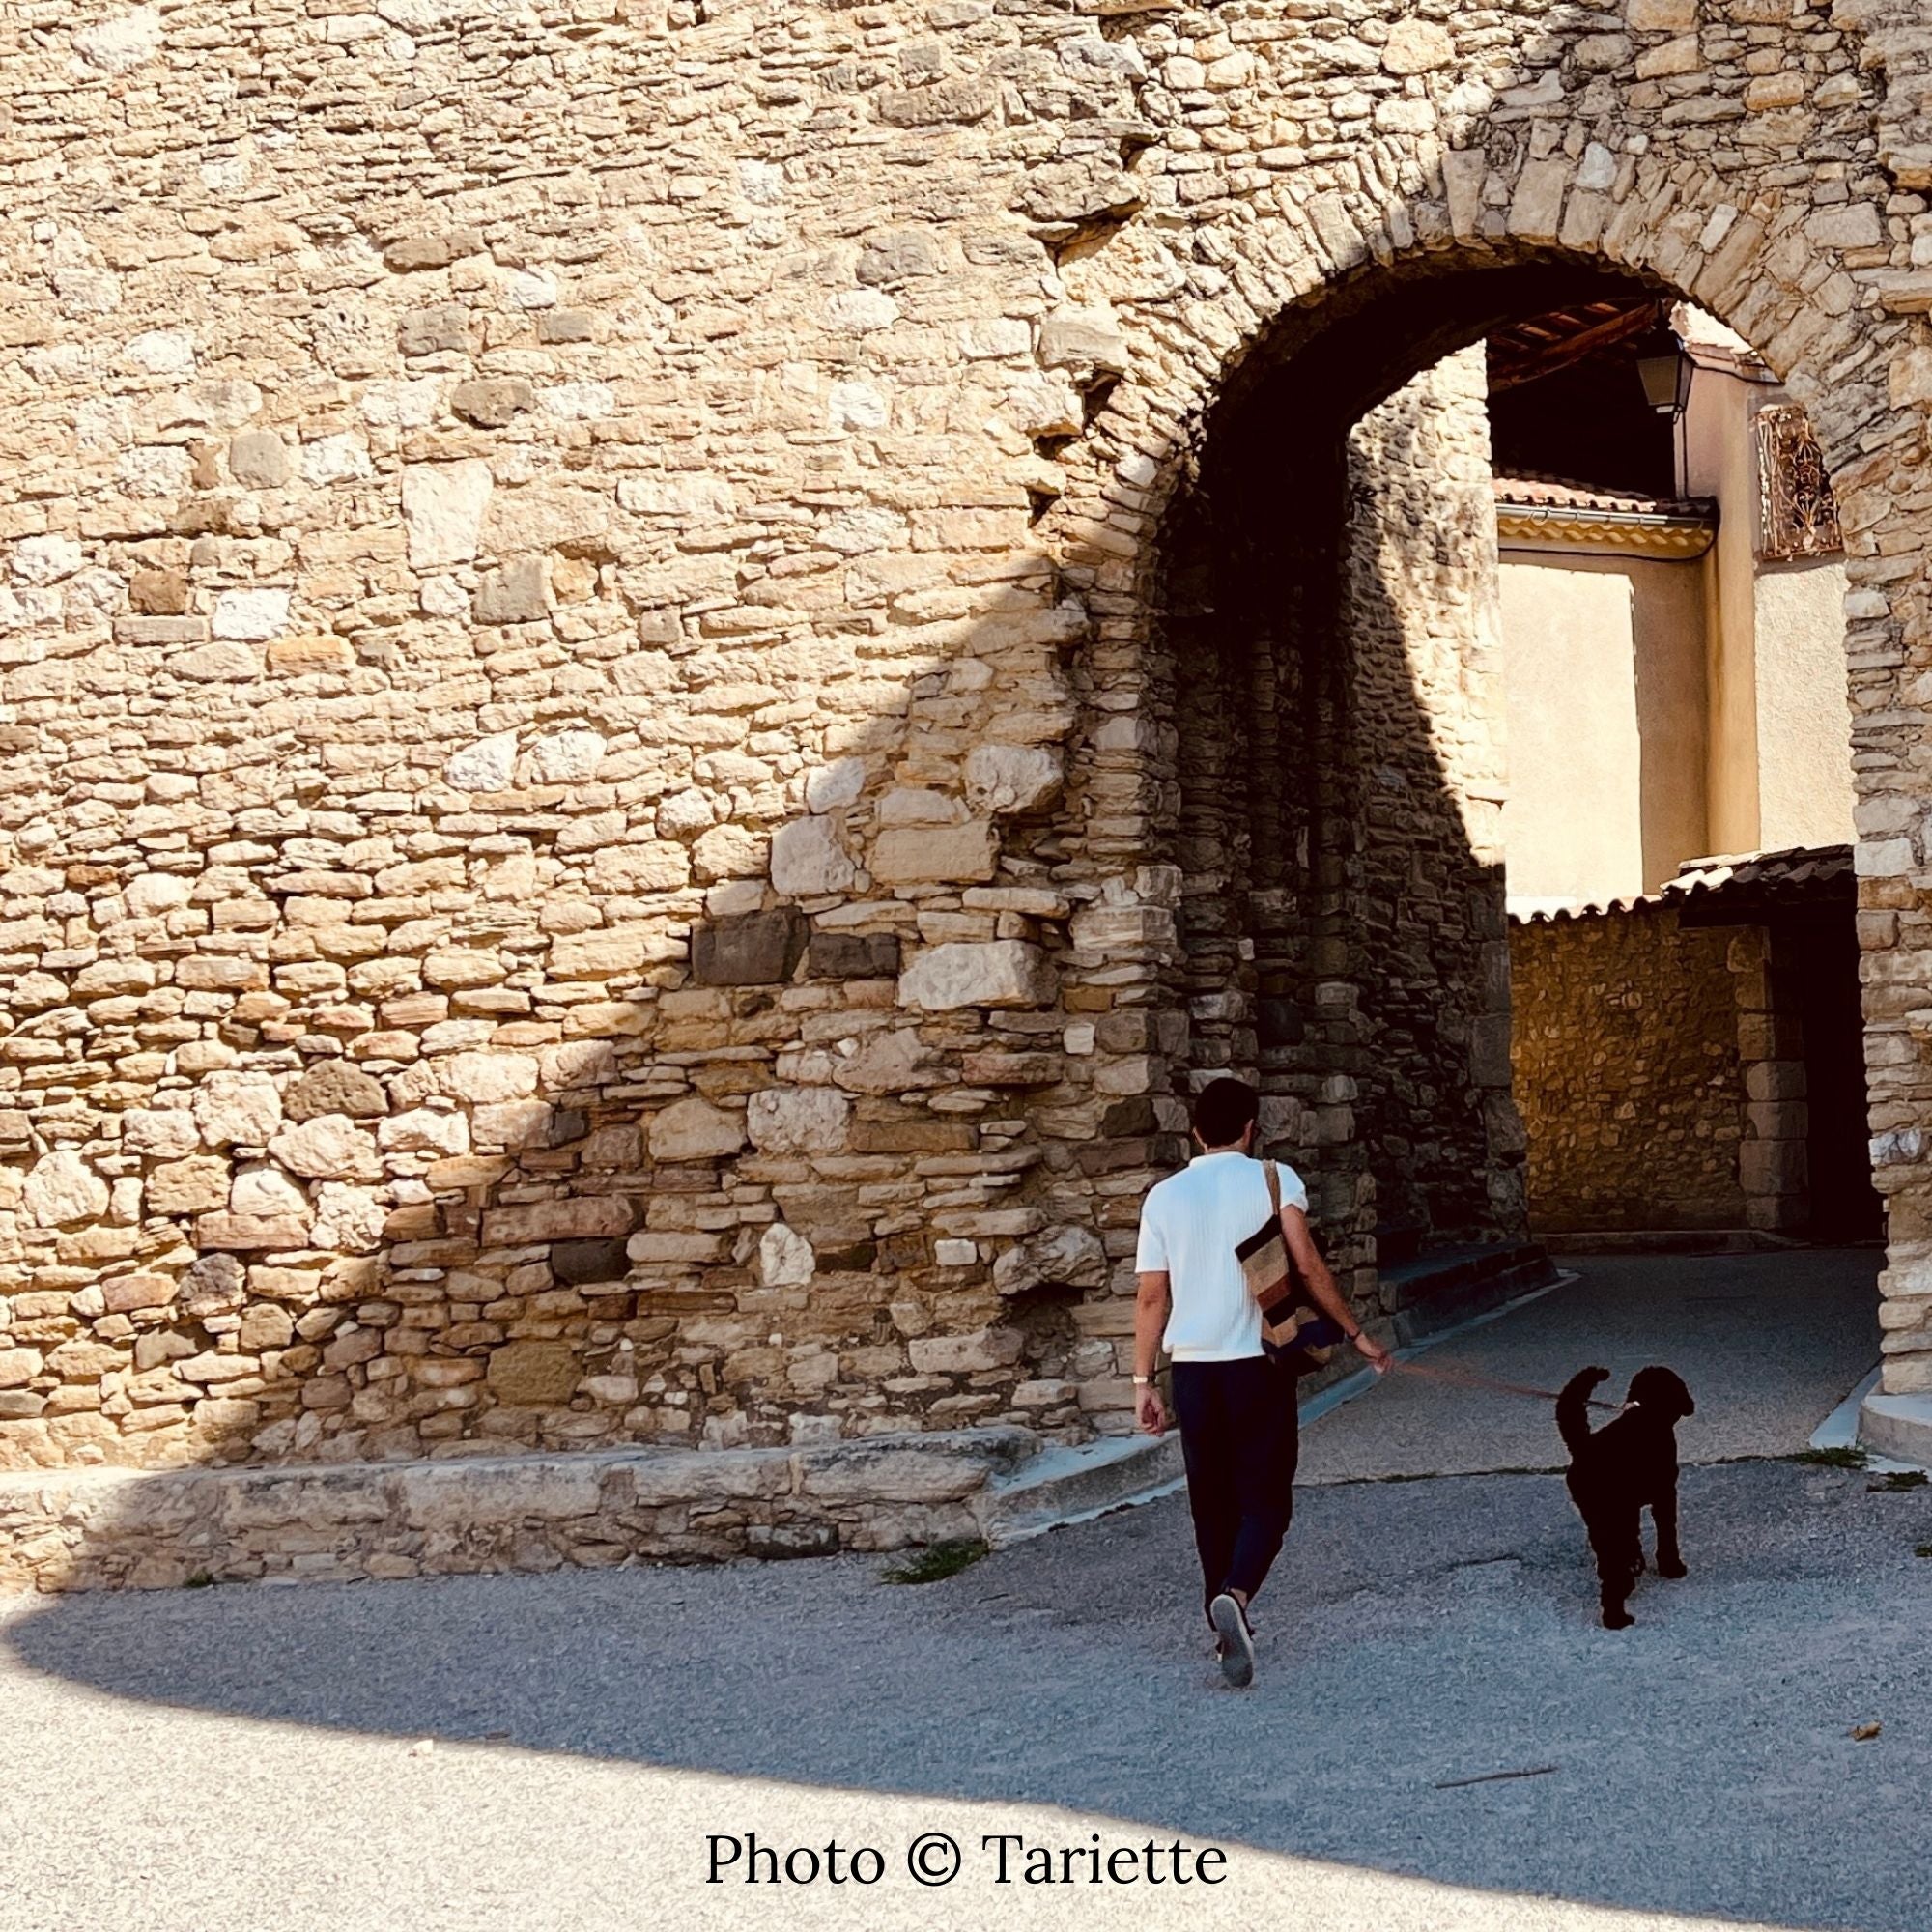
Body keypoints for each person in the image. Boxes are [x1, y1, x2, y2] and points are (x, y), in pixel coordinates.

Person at [1133, 1075, 1390, 1688]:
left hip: (1193, 1372)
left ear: (1194, 1132)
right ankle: (1239, 1597)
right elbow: (1306, 1263)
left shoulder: (1162, 1197)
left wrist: (1144, 1381)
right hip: (1258, 1366)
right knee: (1268, 1498)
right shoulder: (1274, 1178)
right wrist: (1355, 1333)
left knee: (1211, 1501)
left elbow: (1150, 1298)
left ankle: (1219, 1620)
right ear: (1251, 1128)